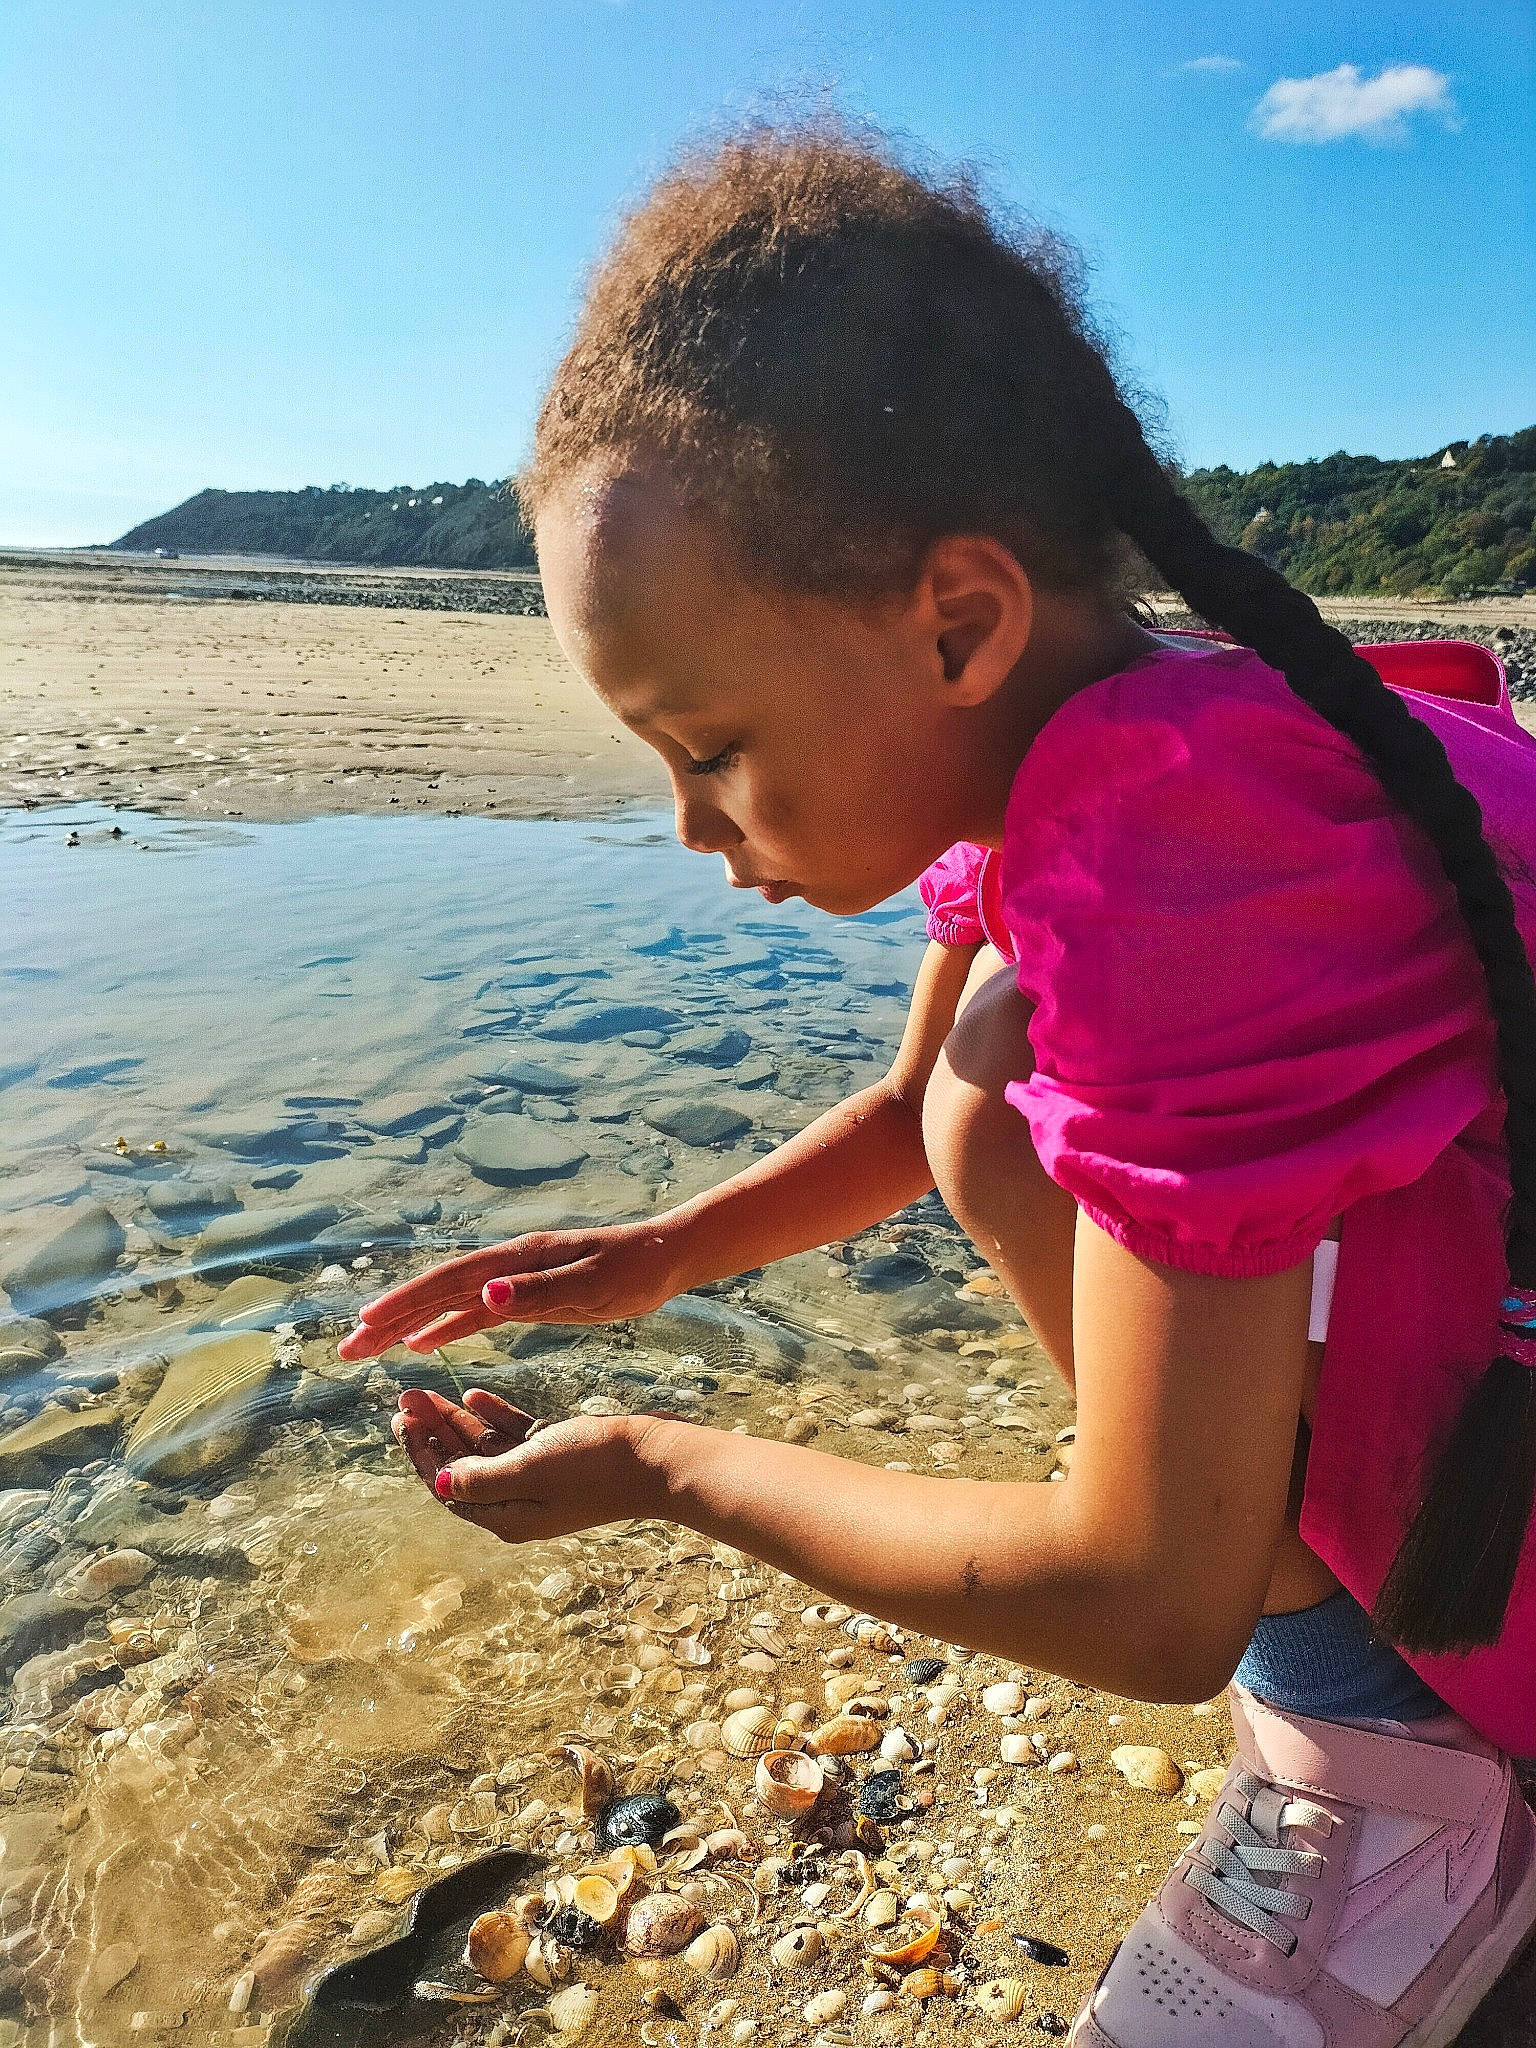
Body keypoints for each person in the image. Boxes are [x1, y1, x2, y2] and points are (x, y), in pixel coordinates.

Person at [339, 119, 1536, 2044]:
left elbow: (1152, 1602)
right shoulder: (1151, 744)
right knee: (977, 1080)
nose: (691, 828)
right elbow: (911, 1123)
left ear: (960, 622)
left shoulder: (1182, 867)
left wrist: (670, 1469)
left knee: (1000, 1082)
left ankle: (1400, 1760)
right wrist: (659, 1253)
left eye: (709, 745)